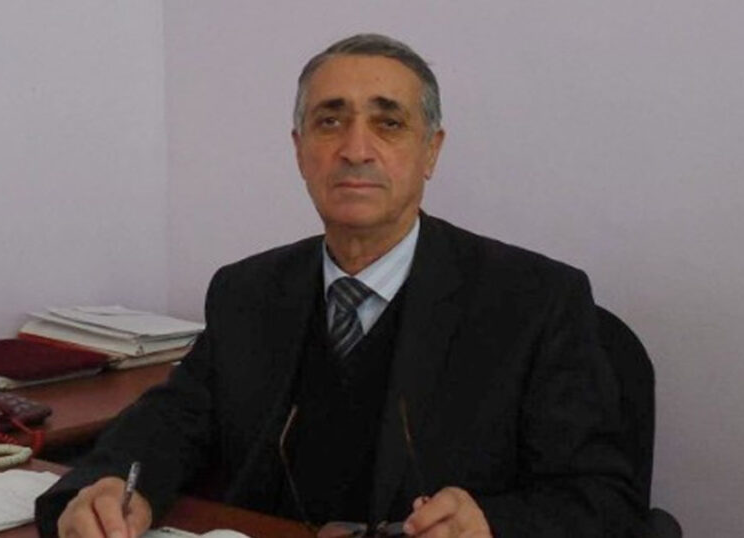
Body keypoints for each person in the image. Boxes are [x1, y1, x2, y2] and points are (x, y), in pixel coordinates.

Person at [35, 34, 645, 538]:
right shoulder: (247, 292)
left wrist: (493, 523)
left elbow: (605, 497)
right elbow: (168, 425)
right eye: (330, 121)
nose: (356, 149)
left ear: (431, 151)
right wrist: (108, 489)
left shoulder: (533, 301)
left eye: (388, 122)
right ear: (300, 150)